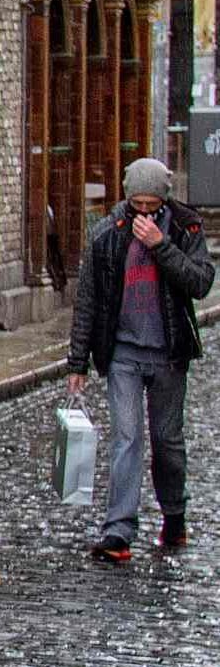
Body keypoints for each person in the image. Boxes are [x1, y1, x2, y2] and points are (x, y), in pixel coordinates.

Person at [65, 154, 211, 566]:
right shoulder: (106, 234)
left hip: (168, 354)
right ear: (128, 200)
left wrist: (160, 245)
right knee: (126, 438)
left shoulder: (185, 227)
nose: (144, 213)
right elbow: (88, 301)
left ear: (162, 200)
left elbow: (201, 282)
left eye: (152, 206)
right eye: (138, 206)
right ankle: (119, 530)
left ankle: (174, 514)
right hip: (123, 354)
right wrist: (78, 363)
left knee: (167, 442)